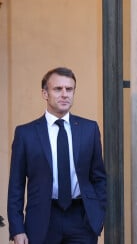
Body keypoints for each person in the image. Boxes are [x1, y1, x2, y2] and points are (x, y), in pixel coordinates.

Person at [7, 67, 107, 244]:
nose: (64, 94)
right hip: (42, 219)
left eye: (69, 89)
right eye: (57, 89)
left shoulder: (89, 129)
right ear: (45, 93)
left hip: (81, 220)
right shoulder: (26, 133)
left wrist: (98, 215)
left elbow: (98, 176)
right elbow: (16, 184)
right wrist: (17, 229)